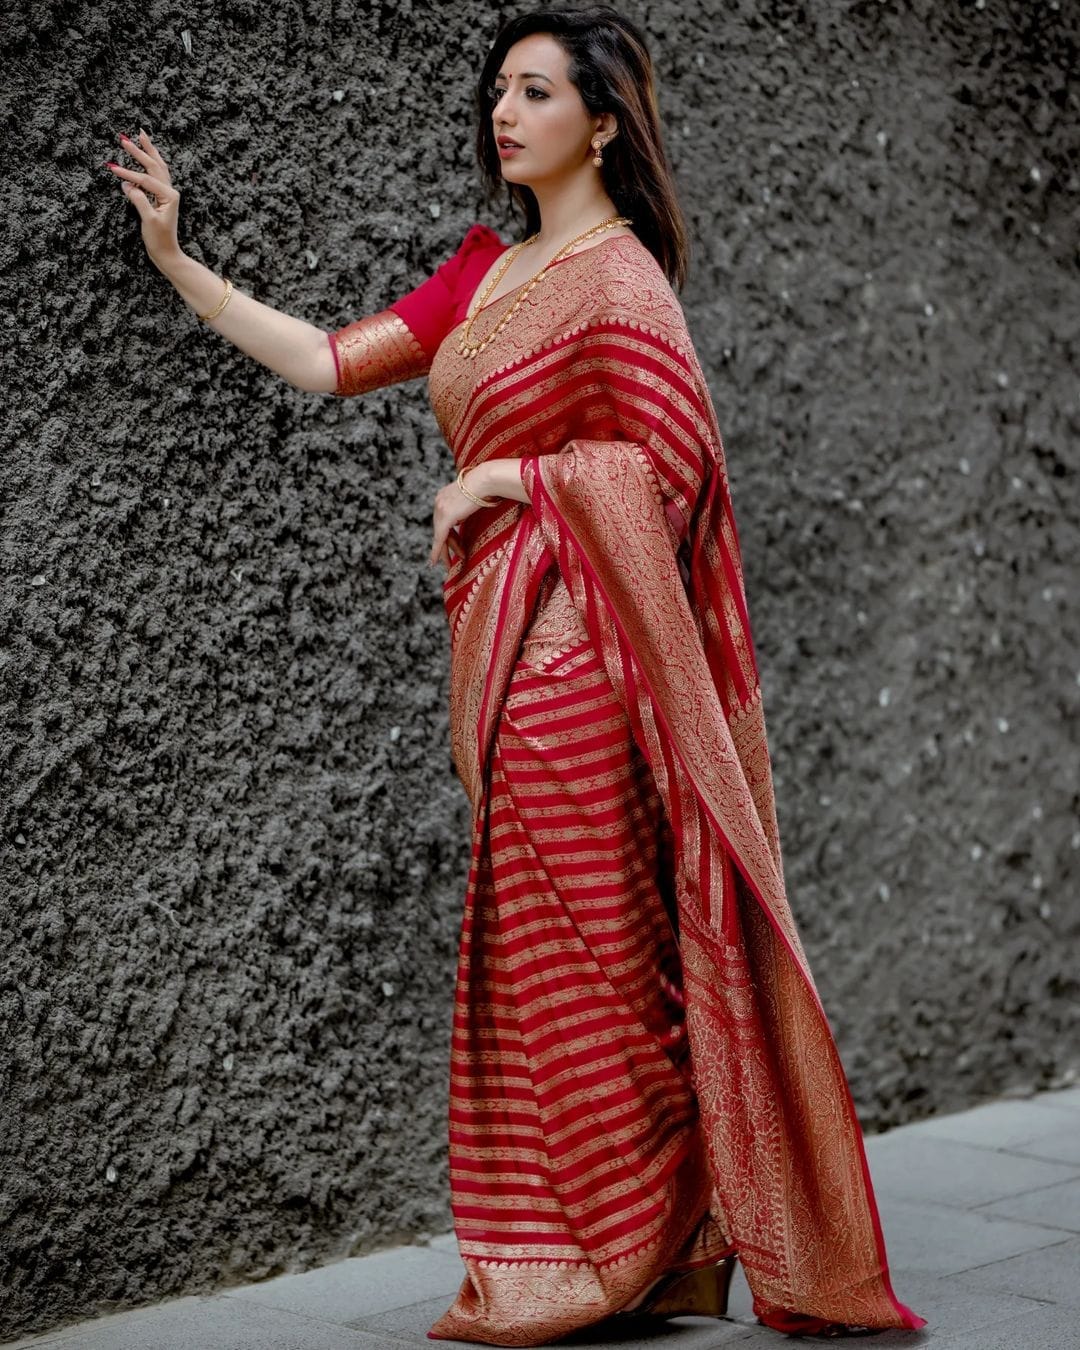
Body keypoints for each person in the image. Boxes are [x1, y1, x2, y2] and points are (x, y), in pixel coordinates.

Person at [108, 6, 926, 1347]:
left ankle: (637, 1243)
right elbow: (329, 360)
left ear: (599, 121)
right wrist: (178, 257)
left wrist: (508, 475)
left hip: (583, 671)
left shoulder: (620, 279)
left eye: (535, 90)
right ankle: (635, 1243)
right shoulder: (489, 271)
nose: (505, 109)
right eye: (498, 88)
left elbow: (671, 481)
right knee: (549, 961)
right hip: (497, 665)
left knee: (603, 957)